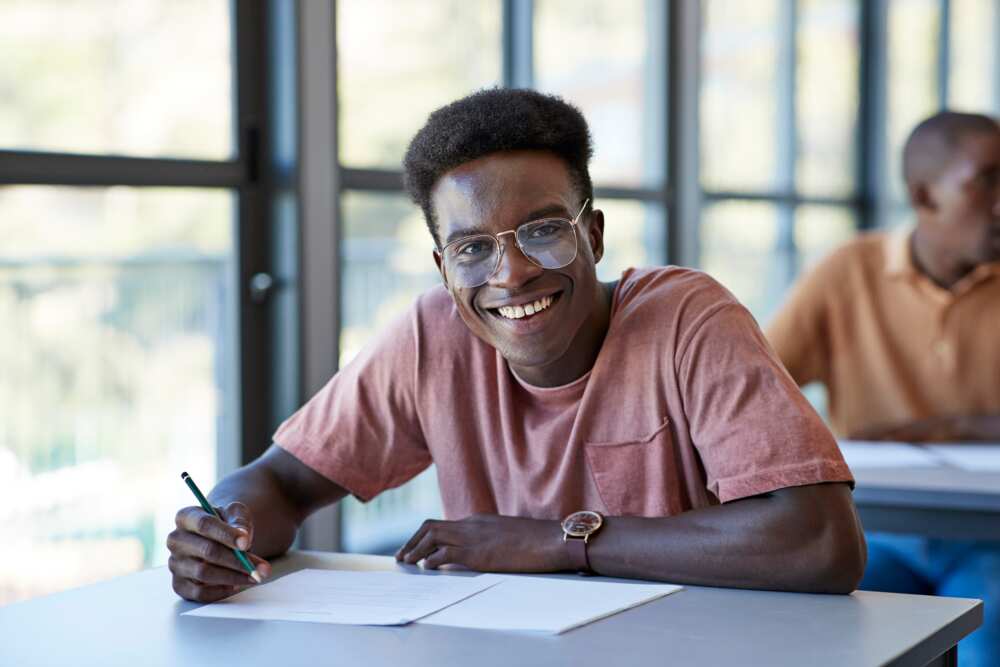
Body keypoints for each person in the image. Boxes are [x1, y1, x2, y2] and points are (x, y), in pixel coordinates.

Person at [167, 88, 864, 604]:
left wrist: (556, 541)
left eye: (542, 230)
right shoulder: (432, 333)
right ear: (444, 268)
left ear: (591, 235)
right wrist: (224, 529)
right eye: (473, 247)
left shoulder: (686, 318)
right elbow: (278, 483)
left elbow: (821, 542)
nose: (512, 272)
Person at [767, 111, 1000, 666]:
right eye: (987, 179)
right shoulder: (848, 271)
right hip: (875, 529)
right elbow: (755, 388)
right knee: (814, 630)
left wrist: (951, 427)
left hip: (991, 537)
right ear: (924, 195)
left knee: (987, 636)